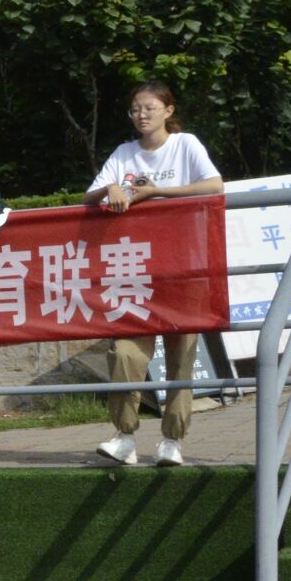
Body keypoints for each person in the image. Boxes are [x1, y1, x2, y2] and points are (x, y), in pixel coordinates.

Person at [83, 81, 223, 468]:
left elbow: (214, 185)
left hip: (183, 265)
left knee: (181, 356)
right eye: (135, 109)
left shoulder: (185, 144)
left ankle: (172, 440)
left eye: (149, 108)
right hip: (135, 270)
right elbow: (89, 196)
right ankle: (124, 435)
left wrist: (157, 193)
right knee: (124, 352)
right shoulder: (123, 153)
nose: (141, 115)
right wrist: (111, 188)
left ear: (168, 111)